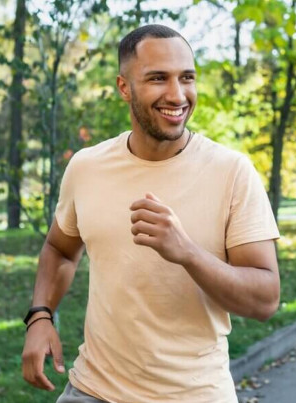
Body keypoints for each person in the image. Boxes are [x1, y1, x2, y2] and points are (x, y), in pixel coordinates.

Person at [21, 24, 281, 403]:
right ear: (124, 87)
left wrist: (187, 252)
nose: (177, 95)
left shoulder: (231, 172)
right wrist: (40, 315)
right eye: (158, 78)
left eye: (187, 78)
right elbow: (60, 250)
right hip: (92, 389)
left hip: (193, 395)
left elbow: (264, 300)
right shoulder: (87, 166)